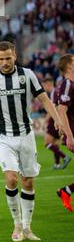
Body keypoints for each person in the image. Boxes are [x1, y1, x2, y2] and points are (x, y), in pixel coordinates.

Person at [0, 41, 67, 242]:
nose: (5, 62)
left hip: (26, 135)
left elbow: (44, 99)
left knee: (28, 181)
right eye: (1, 59)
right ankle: (16, 224)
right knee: (11, 179)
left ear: (14, 55)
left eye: (8, 58)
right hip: (3, 136)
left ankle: (27, 227)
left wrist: (58, 120)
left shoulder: (27, 75)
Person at [55, 54, 74, 212]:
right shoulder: (67, 83)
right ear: (69, 66)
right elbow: (62, 110)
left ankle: (66, 191)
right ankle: (66, 191)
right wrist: (69, 136)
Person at [42, 77, 70, 170]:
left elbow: (53, 107)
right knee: (55, 143)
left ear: (48, 84)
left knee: (47, 143)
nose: (43, 87)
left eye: (44, 85)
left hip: (55, 120)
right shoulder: (59, 90)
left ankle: (65, 157)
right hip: (61, 120)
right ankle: (57, 164)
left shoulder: (54, 92)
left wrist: (46, 120)